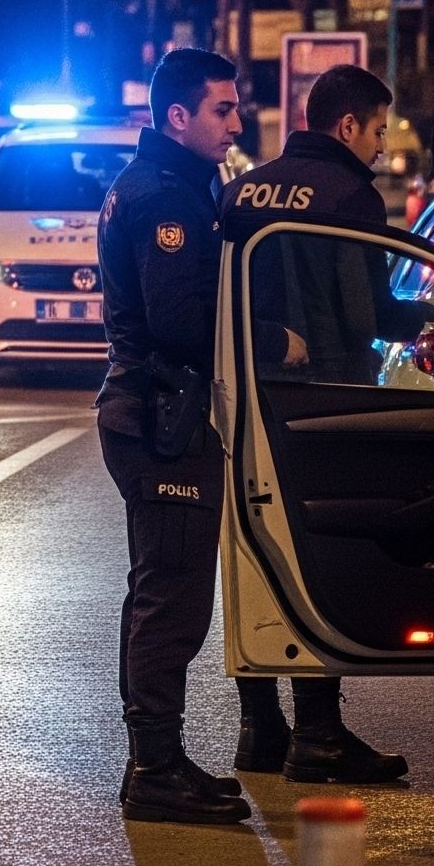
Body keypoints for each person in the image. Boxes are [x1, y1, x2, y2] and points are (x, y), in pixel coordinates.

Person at [219, 63, 433, 783]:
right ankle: (319, 734)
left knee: (250, 551)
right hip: (321, 397)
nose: (379, 146)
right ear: (347, 125)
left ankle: (259, 729)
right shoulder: (351, 195)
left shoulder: (243, 189)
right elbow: (367, 314)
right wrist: (432, 316)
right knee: (312, 555)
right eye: (377, 130)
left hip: (239, 395)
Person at [95, 48, 266, 825]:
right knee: (170, 597)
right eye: (222, 110)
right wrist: (274, 343)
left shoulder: (184, 186)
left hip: (163, 411)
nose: (236, 122)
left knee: (167, 589)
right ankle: (154, 768)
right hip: (161, 417)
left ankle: (159, 759)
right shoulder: (165, 200)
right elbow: (179, 322)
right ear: (178, 117)